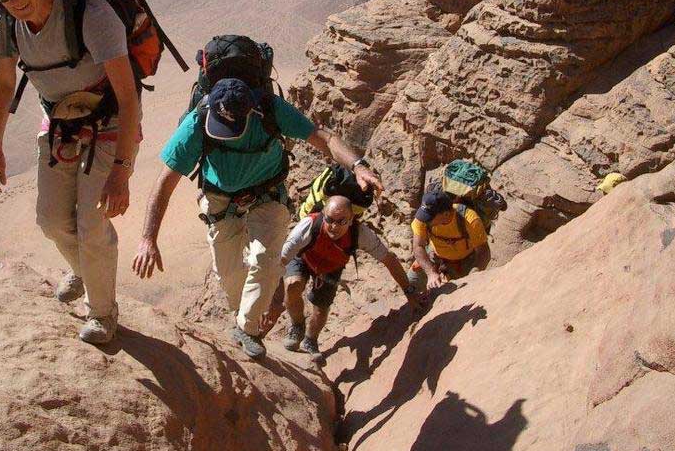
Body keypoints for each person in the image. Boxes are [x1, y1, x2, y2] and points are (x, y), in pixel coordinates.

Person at [132, 77, 382, 359]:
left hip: (267, 195)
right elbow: (165, 182)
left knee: (266, 261)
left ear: (251, 112)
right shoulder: (198, 121)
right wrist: (147, 239)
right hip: (219, 200)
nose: (226, 131)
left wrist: (358, 166)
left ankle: (248, 330)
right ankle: (241, 315)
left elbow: (324, 137)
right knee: (227, 272)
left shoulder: (272, 110)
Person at [0, 0, 141, 345]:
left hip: (108, 123)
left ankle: (103, 312)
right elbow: (4, 84)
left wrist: (121, 173)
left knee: (92, 223)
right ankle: (86, 270)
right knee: (51, 221)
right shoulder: (7, 21)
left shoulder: (91, 14)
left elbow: (127, 98)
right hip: (58, 124)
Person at [270, 195, 420, 359]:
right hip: (303, 258)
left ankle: (310, 339)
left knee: (321, 308)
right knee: (292, 285)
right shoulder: (309, 224)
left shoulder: (360, 233)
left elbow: (388, 260)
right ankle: (297, 325)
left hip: (331, 268)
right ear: (323, 214)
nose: (334, 226)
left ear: (351, 220)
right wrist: (272, 302)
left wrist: (409, 290)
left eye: (341, 221)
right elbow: (281, 260)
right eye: (330, 219)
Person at [408, 189, 491, 292]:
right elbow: (418, 246)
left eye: (429, 217)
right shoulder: (423, 219)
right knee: (411, 284)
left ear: (446, 214)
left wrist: (475, 272)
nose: (424, 220)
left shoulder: (469, 219)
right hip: (436, 256)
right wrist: (430, 272)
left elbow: (484, 252)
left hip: (466, 260)